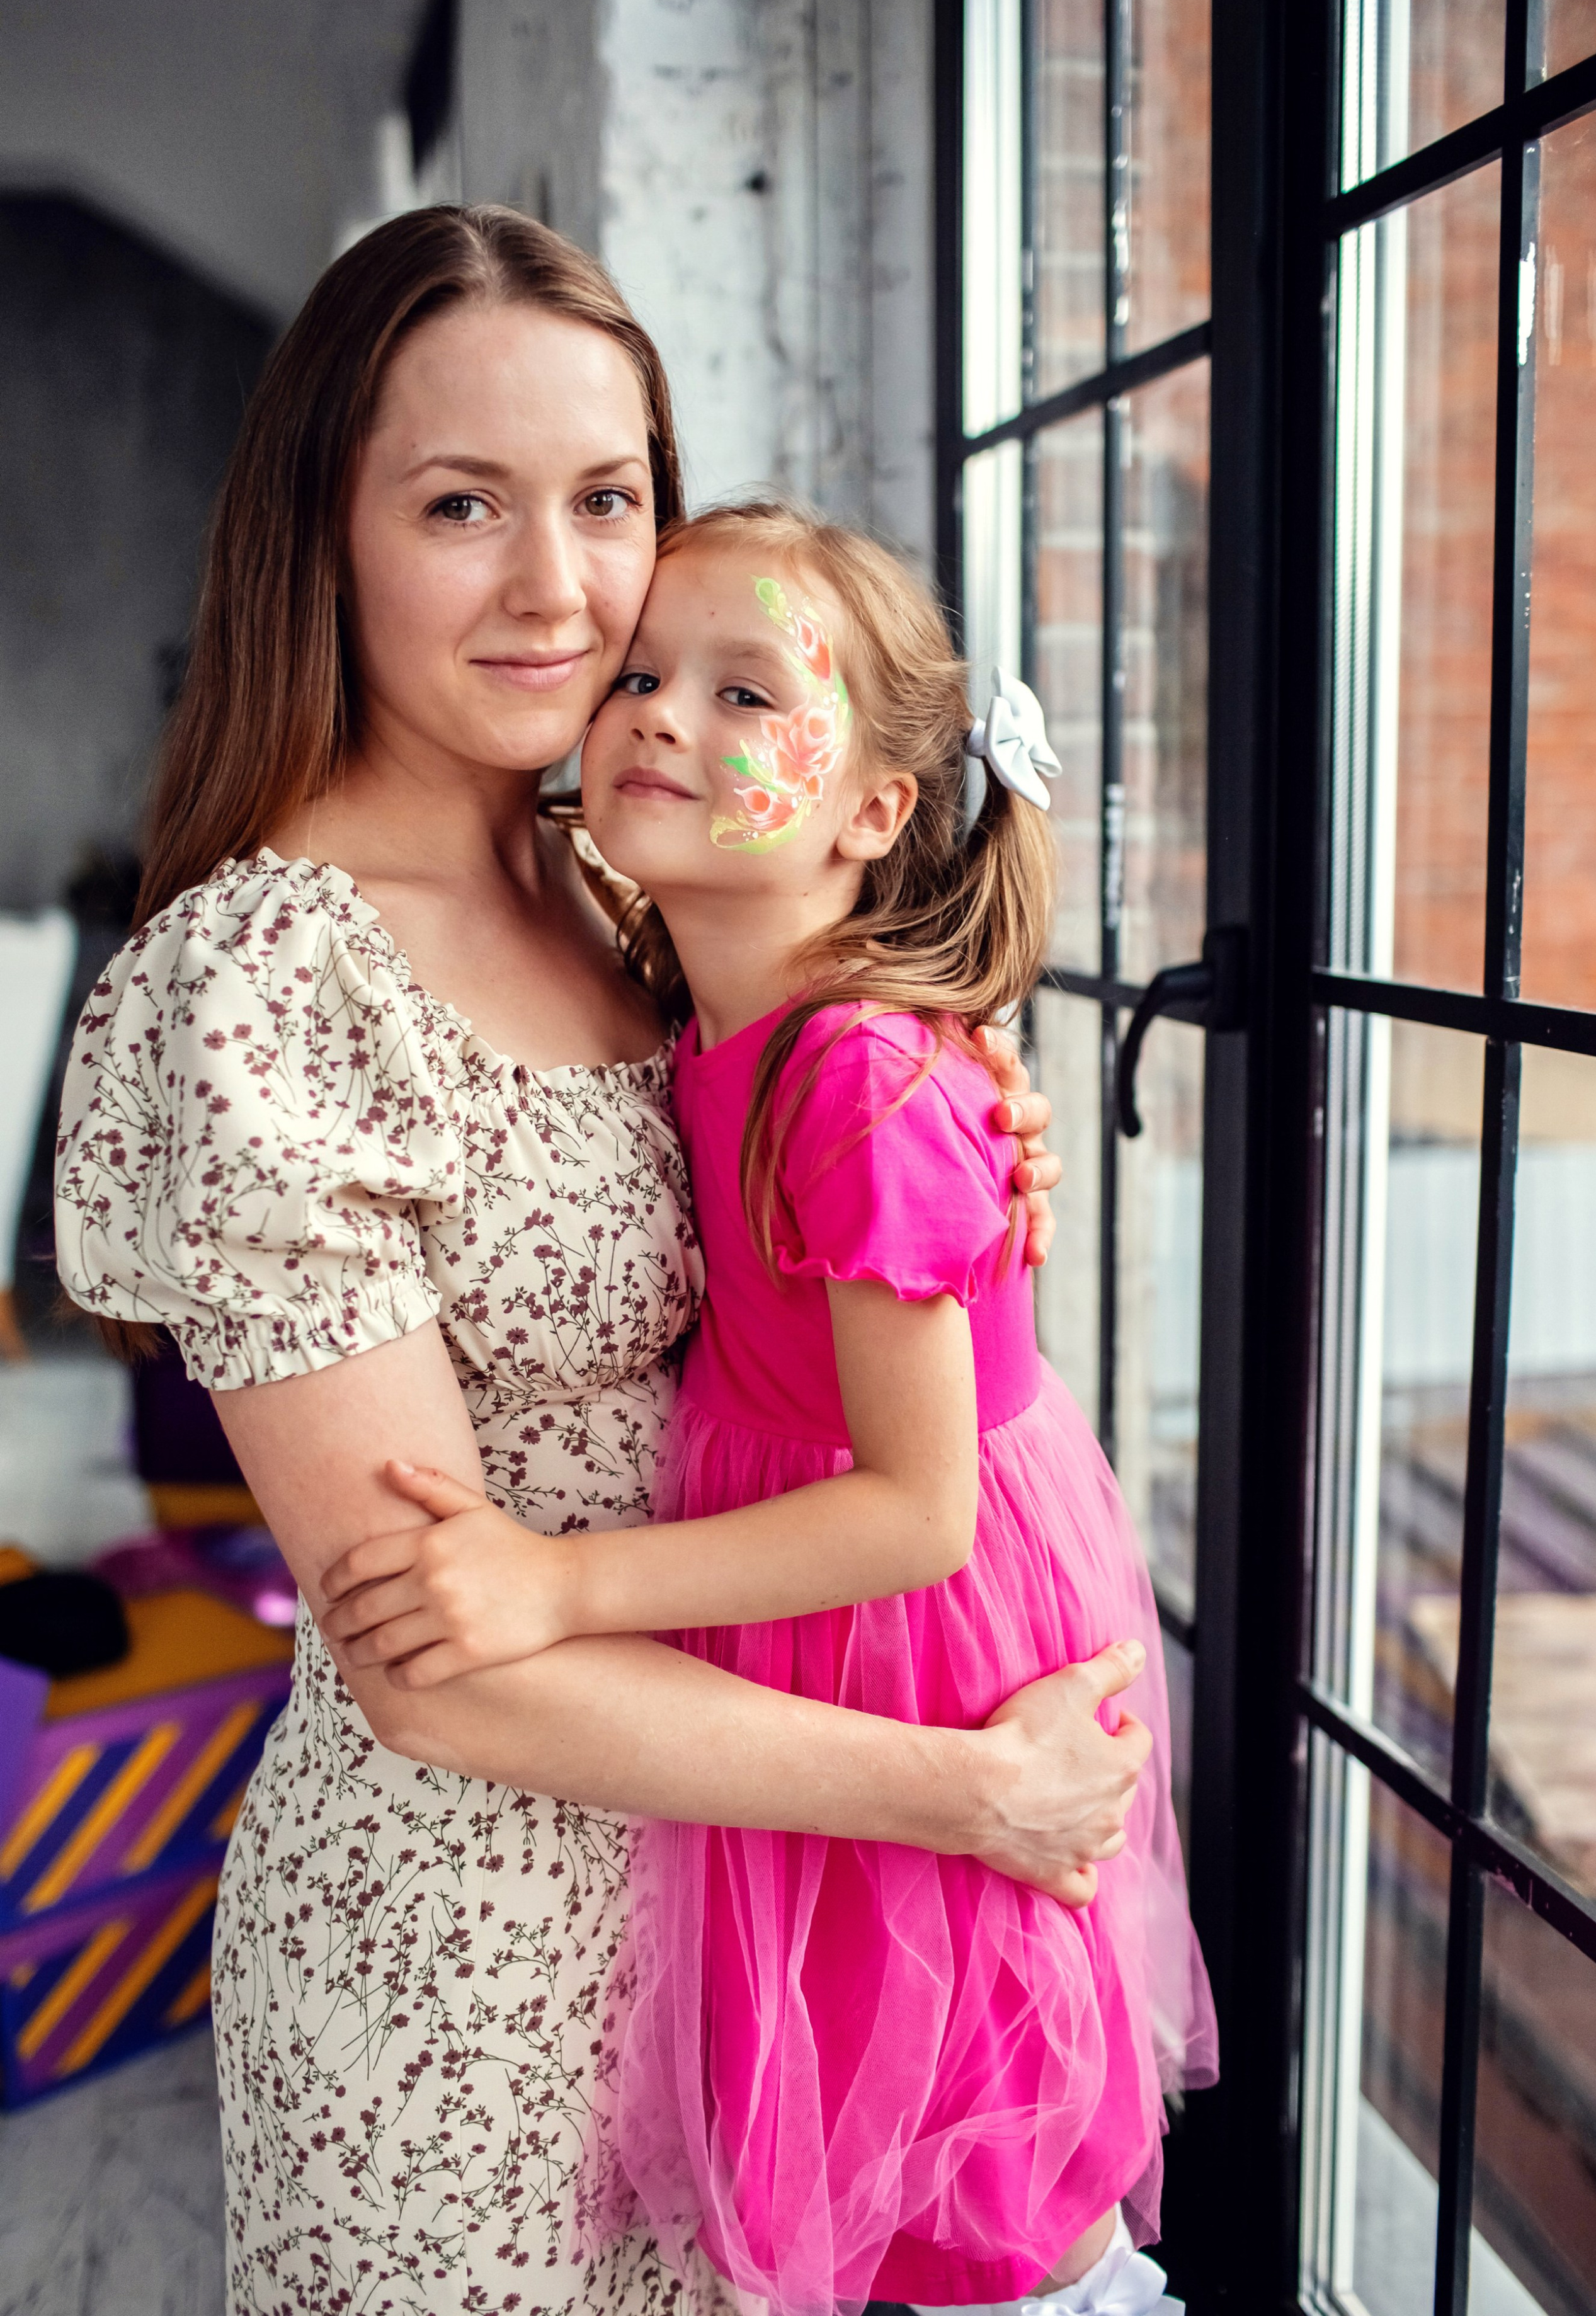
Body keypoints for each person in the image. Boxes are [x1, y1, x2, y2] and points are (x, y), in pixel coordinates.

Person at [52, 207, 1155, 2316]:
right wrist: (967, 1792)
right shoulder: (271, 977)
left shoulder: (617, 873)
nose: (558, 588)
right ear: (329, 531)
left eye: (608, 501)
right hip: (468, 1966)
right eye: (464, 504)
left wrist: (941, 1085)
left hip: (739, 1914)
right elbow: (430, 1659)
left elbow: (822, 1177)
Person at [319, 499, 1217, 2316]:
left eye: (746, 695)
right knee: (845, 2131)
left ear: (872, 810)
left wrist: (557, 1587)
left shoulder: (853, 1084)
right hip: (805, 1616)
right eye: (644, 674)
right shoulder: (699, 1009)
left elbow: (918, 1509)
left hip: (909, 1617)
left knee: (972, 2159)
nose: (662, 714)